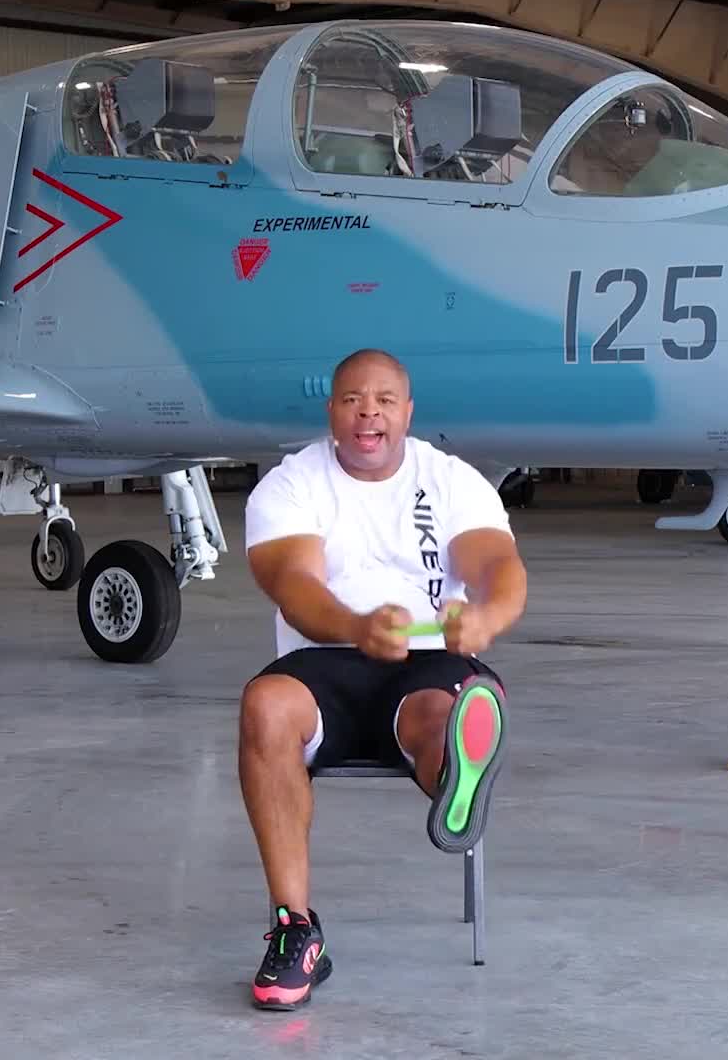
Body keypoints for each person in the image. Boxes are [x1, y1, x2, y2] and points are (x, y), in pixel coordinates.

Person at [236, 349, 527, 1010]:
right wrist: (354, 624)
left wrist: (486, 617)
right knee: (265, 706)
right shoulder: (291, 484)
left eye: (385, 400)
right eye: (352, 400)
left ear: (407, 412)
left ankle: (456, 768)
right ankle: (295, 932)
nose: (369, 411)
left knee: (434, 714)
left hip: (431, 659)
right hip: (325, 661)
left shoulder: (450, 479)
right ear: (332, 412)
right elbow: (292, 586)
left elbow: (497, 564)